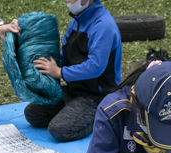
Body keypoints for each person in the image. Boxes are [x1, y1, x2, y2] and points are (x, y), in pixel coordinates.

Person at [23, 0, 122, 142]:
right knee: (33, 115)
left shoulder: (103, 26)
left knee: (59, 130)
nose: (67, 0)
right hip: (73, 91)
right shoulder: (77, 21)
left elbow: (95, 67)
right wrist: (43, 64)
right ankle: (74, 111)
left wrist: (59, 72)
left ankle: (102, 117)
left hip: (96, 96)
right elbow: (64, 55)